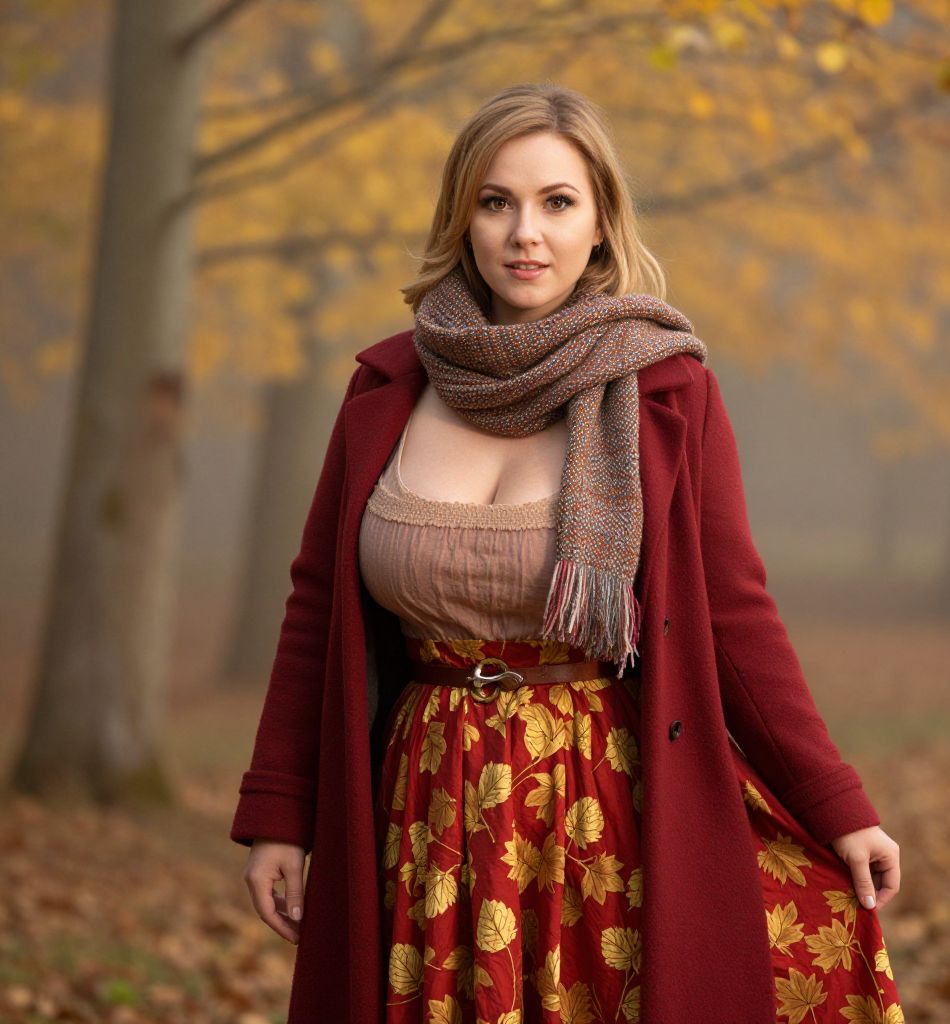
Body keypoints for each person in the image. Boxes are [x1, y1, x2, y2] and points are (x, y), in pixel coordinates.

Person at [231, 83, 903, 1024]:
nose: (524, 233)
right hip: (415, 812)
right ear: (462, 220)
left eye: (557, 202)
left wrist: (836, 803)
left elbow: (734, 614)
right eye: (496, 202)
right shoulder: (384, 391)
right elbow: (316, 612)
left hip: (597, 813)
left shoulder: (664, 393)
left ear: (601, 223)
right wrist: (277, 817)